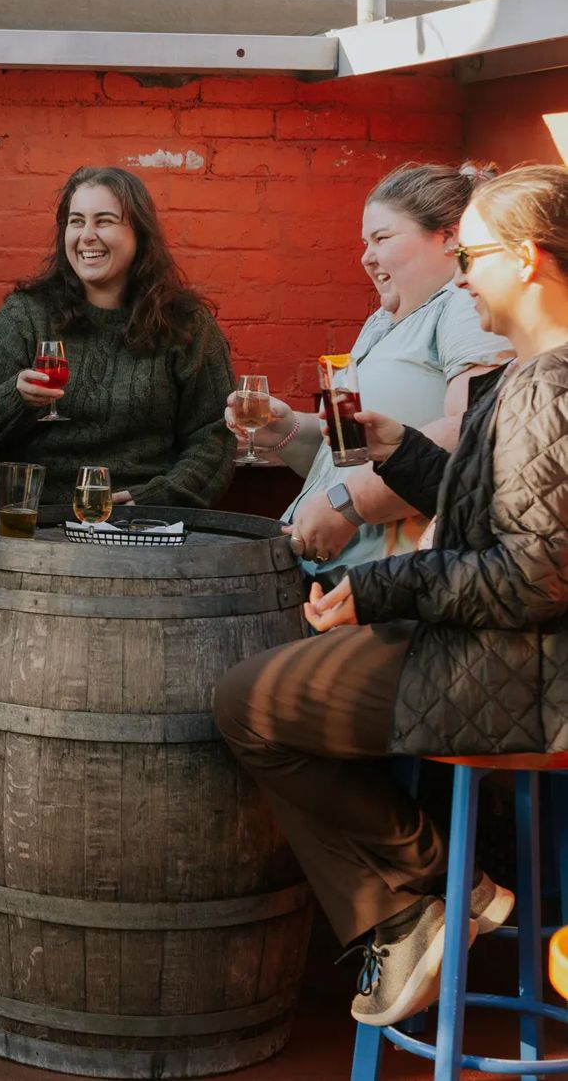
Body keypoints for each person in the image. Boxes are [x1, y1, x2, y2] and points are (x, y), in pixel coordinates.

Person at [213, 164, 568, 1029]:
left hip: (529, 678)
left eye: (473, 253)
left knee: (247, 704)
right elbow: (482, 496)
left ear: (524, 260)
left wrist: (376, 589)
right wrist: (399, 446)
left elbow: (531, 573)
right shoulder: (530, 375)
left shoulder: (548, 386)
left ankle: (424, 900)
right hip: (505, 653)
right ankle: (428, 905)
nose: (462, 274)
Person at [231, 162, 510, 576]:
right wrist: (286, 431)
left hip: (395, 578)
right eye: (365, 241)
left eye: (383, 237)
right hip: (337, 575)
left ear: (449, 237)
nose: (366, 257)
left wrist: (348, 505)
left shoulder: (463, 307)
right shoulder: (383, 321)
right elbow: (351, 457)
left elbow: (471, 433)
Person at [0, 164, 234, 508]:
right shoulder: (25, 315)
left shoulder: (186, 324)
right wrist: (16, 397)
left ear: (140, 235)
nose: (87, 235)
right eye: (76, 221)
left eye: (104, 221)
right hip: (36, 522)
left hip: (143, 524)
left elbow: (214, 437)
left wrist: (158, 498)